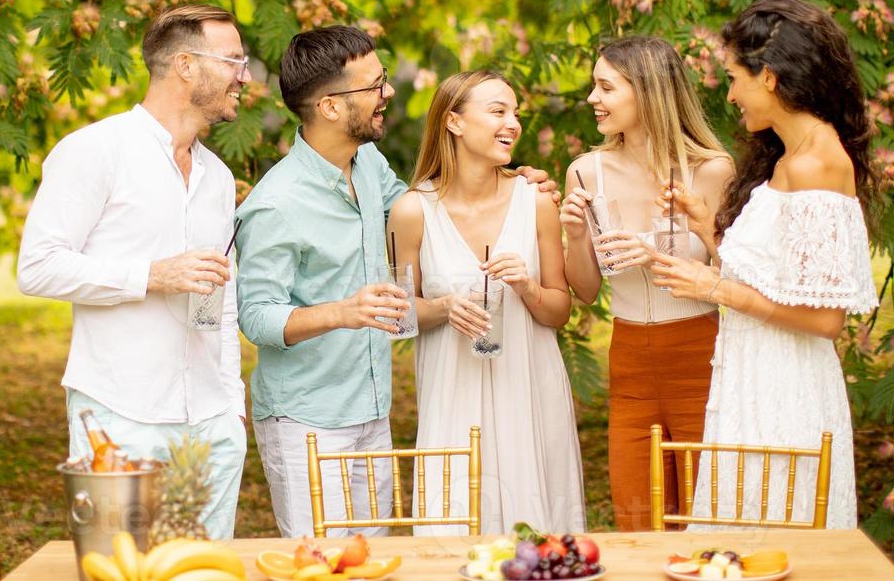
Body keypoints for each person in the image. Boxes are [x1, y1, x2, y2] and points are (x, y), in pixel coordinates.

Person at [237, 28, 558, 538]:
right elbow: (256, 316)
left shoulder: (368, 165)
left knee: (376, 562)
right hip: (308, 423)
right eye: (374, 86)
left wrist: (515, 185)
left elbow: (432, 205)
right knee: (322, 568)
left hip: (372, 410)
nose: (388, 92)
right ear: (331, 107)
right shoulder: (275, 204)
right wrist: (344, 311)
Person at [16, 4, 249, 538]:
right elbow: (38, 268)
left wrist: (232, 407)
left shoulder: (217, 176)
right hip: (121, 415)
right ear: (186, 65)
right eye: (234, 60)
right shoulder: (93, 151)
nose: (245, 75)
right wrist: (152, 275)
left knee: (205, 575)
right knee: (121, 570)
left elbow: (222, 296)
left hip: (212, 425)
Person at [649, 0, 879, 529]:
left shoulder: (819, 165)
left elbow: (825, 320)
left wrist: (713, 289)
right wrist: (704, 224)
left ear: (769, 77)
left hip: (786, 395)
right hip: (751, 380)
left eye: (734, 77)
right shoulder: (790, 159)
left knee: (774, 537)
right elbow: (772, 276)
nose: (730, 94)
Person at [389, 70, 586, 535]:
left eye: (515, 113)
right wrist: (442, 308)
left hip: (529, 391)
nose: (513, 123)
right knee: (454, 524)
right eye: (498, 111)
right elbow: (398, 315)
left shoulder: (536, 201)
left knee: (536, 535)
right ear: (454, 122)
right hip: (452, 397)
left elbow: (560, 310)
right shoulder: (411, 211)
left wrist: (528, 288)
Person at [557, 37, 735, 530]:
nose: (592, 98)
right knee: (638, 514)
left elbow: (737, 276)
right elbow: (587, 290)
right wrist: (574, 236)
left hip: (701, 353)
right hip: (629, 354)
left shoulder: (712, 170)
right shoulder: (584, 172)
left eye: (605, 87)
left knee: (706, 514)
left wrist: (656, 255)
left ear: (648, 92)